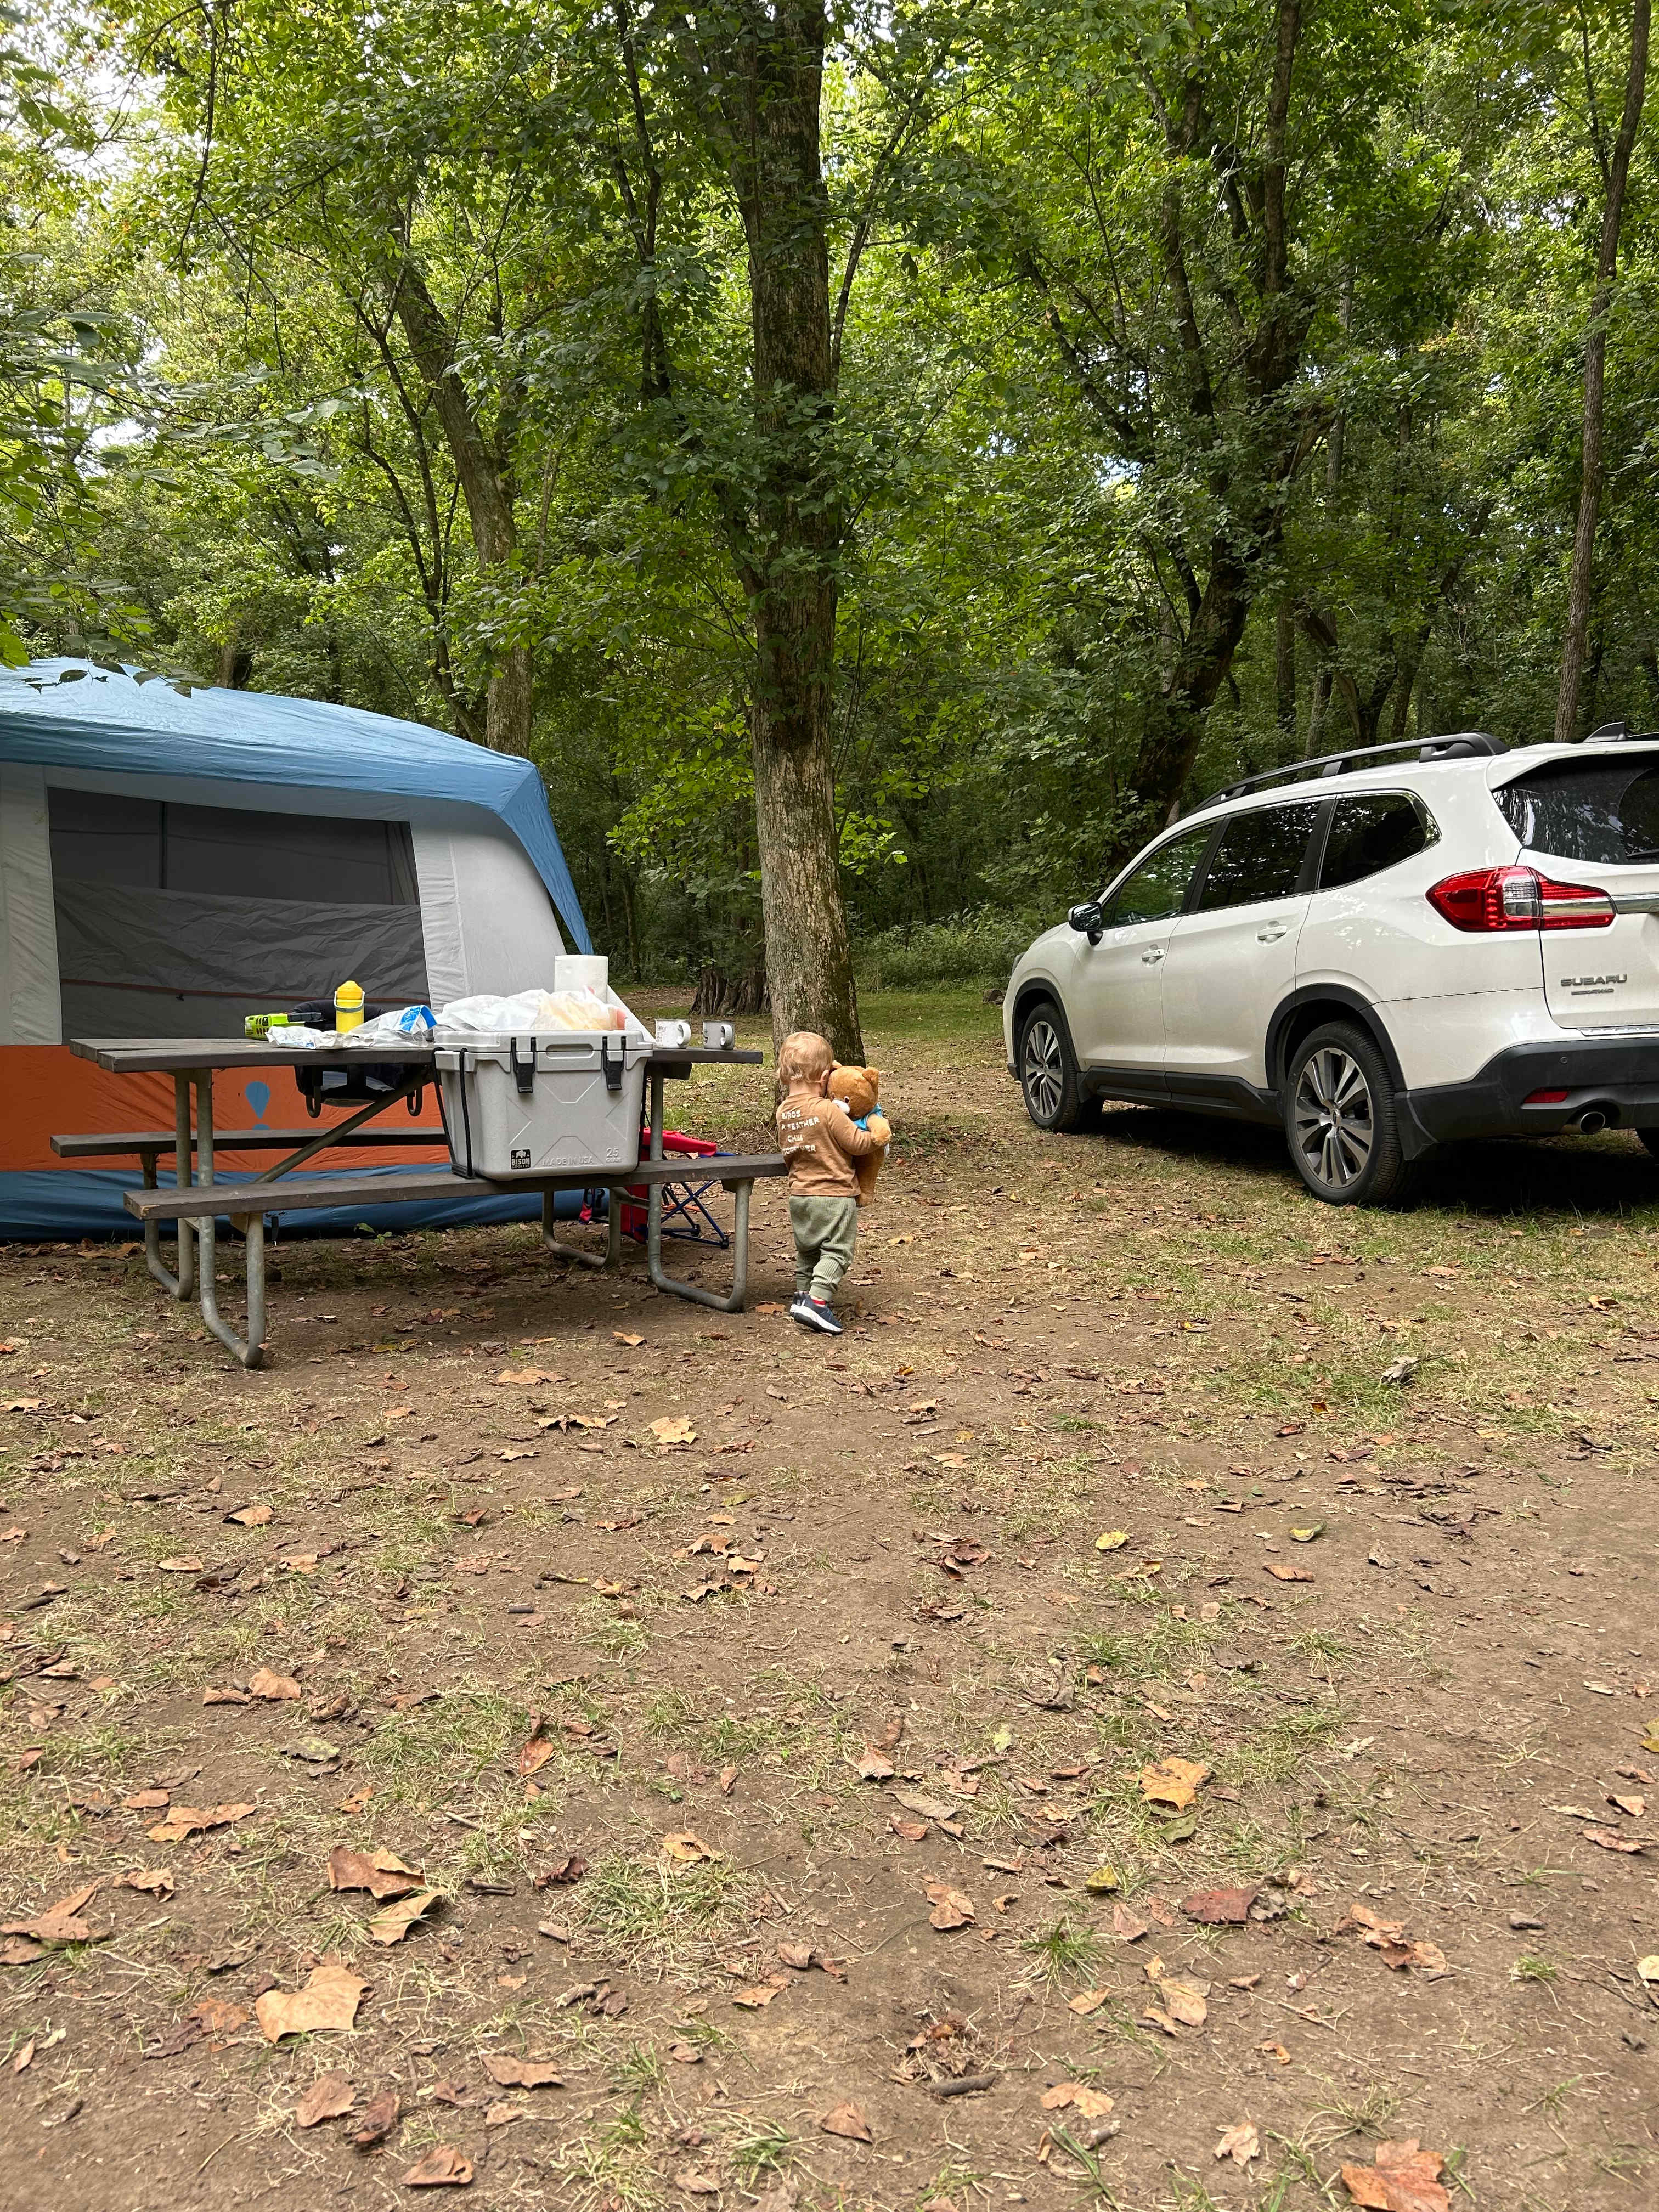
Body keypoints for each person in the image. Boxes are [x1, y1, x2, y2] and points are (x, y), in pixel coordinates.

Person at [774, 1030, 891, 1336]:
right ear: (824, 1076)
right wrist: (876, 1139)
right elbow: (854, 1142)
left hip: (799, 1194)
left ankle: (801, 1298)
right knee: (837, 1251)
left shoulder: (784, 1111)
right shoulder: (826, 1110)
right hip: (834, 1194)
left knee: (808, 1251)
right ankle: (817, 1301)